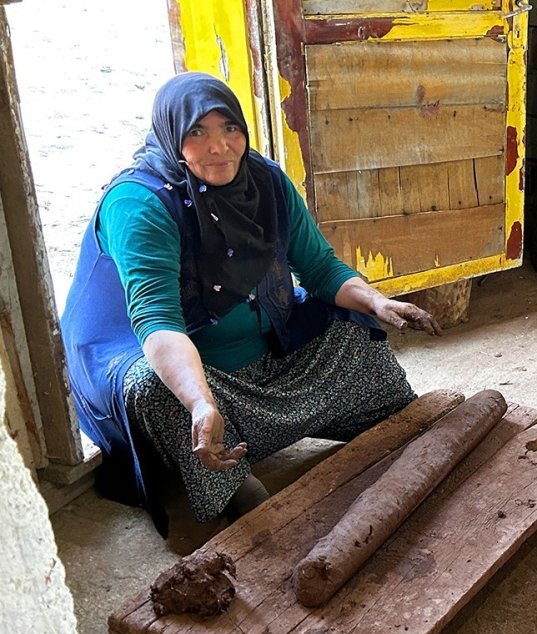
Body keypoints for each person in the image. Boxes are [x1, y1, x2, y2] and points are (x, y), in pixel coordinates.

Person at [61, 72, 442, 537]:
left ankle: (375, 420)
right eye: (196, 133)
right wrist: (201, 403)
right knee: (155, 390)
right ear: (171, 136)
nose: (218, 146)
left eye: (230, 129)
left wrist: (378, 303)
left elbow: (320, 269)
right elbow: (157, 320)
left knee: (350, 325)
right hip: (179, 363)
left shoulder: (265, 181)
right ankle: (228, 479)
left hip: (262, 342)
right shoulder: (140, 205)